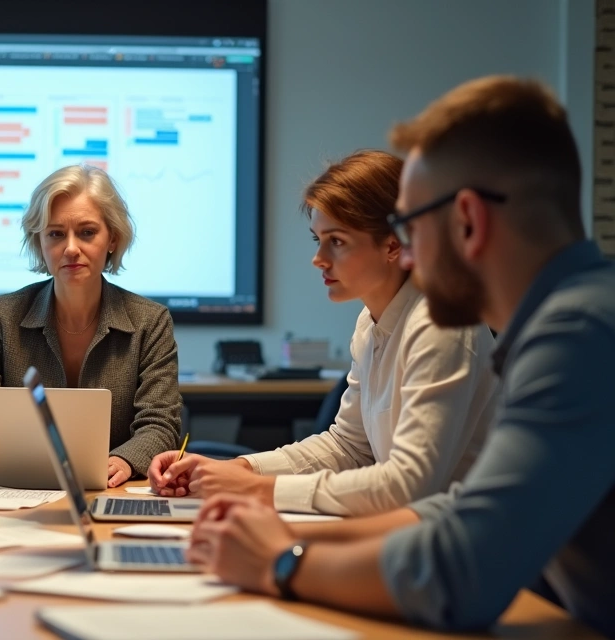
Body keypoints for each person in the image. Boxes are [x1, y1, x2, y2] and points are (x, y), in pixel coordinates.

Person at [185, 76, 615, 638]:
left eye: (409, 225)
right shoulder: (573, 317)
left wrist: (281, 562)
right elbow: (463, 508)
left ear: (467, 220)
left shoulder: (576, 335)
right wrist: (280, 531)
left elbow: (463, 574)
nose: (403, 251)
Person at [149, 150, 498, 516]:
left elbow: (407, 484)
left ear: (393, 245)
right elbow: (349, 446)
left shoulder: (442, 324)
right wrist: (237, 469)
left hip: (461, 550)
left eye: (338, 241)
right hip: (409, 536)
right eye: (318, 240)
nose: (319, 258)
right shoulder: (371, 321)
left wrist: (257, 488)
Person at [0, 164, 181, 487]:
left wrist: (126, 459)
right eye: (56, 234)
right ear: (40, 243)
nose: (71, 248)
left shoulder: (150, 321)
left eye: (87, 232)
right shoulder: (0, 317)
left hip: (112, 490)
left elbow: (160, 424)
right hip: (16, 489)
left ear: (113, 239)